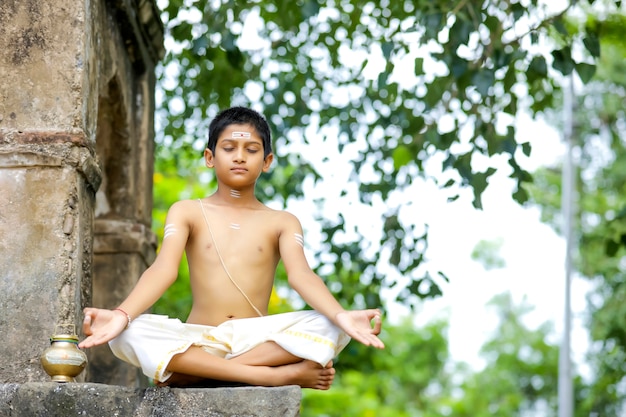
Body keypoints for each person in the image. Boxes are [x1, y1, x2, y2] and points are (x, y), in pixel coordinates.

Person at [79, 106, 384, 390]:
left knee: (331, 324)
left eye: (251, 150)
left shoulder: (283, 221)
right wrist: (121, 314)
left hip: (256, 340)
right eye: (229, 148)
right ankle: (265, 375)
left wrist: (343, 316)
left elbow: (302, 276)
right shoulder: (187, 210)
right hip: (199, 337)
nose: (239, 157)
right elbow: (163, 269)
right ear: (210, 157)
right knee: (126, 333)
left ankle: (197, 374)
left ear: (266, 161)